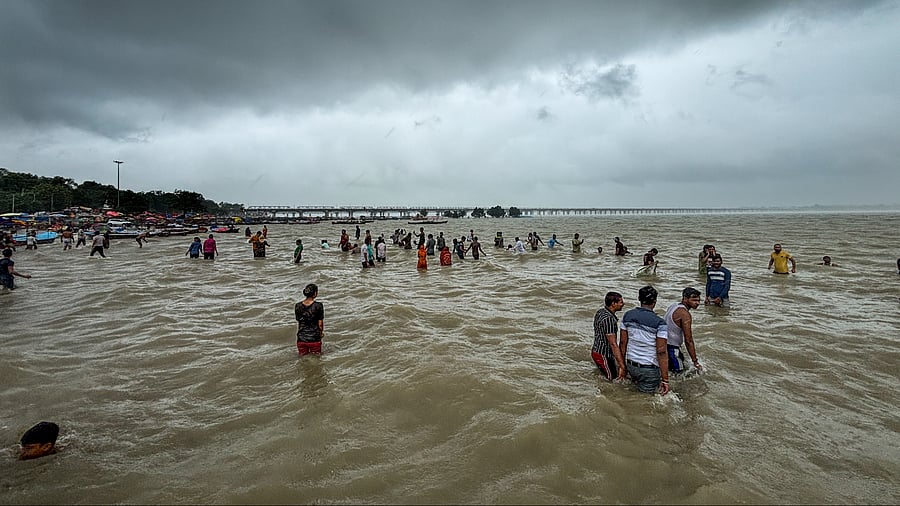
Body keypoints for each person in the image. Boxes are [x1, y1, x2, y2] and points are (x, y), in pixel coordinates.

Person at [620, 285, 670, 395]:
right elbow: (661, 351)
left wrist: (622, 366)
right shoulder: (660, 323)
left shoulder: (627, 315)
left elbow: (623, 343)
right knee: (646, 403)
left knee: (633, 394)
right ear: (655, 301)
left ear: (639, 299)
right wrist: (665, 379)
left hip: (631, 364)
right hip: (649, 369)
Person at [665, 287, 703, 376]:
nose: (697, 303)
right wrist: (695, 361)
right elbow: (688, 340)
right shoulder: (685, 314)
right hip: (672, 348)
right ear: (685, 299)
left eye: (698, 300)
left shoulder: (673, 306)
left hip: (663, 344)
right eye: (694, 300)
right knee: (679, 376)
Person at [591, 291, 626, 382]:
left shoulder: (601, 312)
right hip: (603, 355)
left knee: (606, 376)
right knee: (612, 380)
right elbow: (613, 343)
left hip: (596, 350)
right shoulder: (609, 319)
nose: (623, 304)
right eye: (621, 302)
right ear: (613, 304)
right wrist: (622, 365)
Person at [295, 283, 324, 356]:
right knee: (316, 359)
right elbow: (320, 324)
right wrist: (321, 333)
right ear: (314, 294)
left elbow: (299, 321)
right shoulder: (318, 306)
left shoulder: (298, 306)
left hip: (301, 338)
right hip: (314, 338)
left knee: (302, 358)